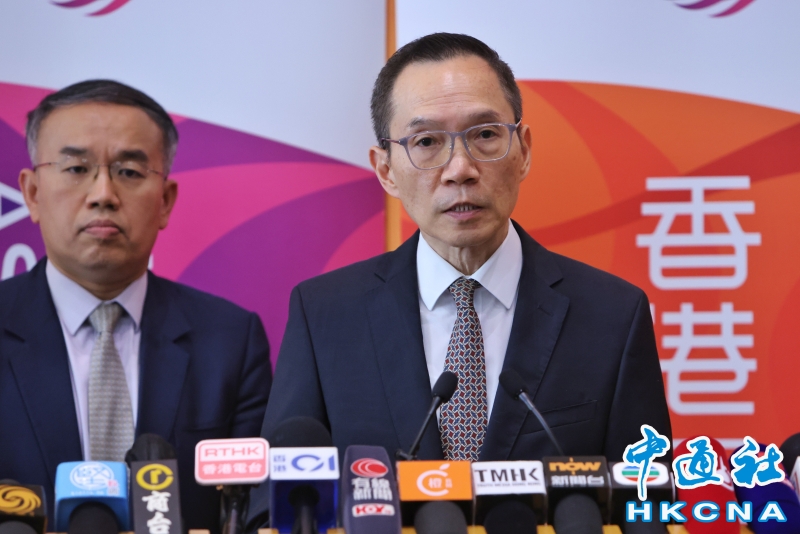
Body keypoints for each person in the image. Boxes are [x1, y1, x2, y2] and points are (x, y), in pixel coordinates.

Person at [249, 32, 670, 524]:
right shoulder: (325, 315)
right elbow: (275, 510)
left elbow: (649, 508)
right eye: (427, 142)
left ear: (523, 150)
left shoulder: (612, 316)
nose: (461, 169)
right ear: (386, 170)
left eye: (485, 135)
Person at [0, 80, 272, 532]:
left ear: (165, 201)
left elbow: (252, 512)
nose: (103, 194)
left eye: (128, 172)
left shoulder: (230, 341)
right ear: (32, 193)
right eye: (76, 168)